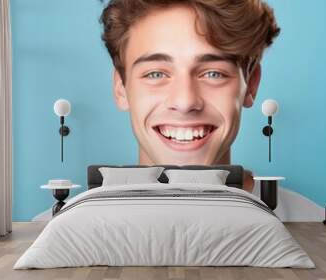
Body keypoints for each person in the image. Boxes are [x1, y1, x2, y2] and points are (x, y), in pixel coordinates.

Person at [99, 0, 280, 191]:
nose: (185, 102)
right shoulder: (73, 220)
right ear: (121, 87)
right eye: (156, 74)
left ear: (251, 84)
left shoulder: (307, 216)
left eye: (213, 74)